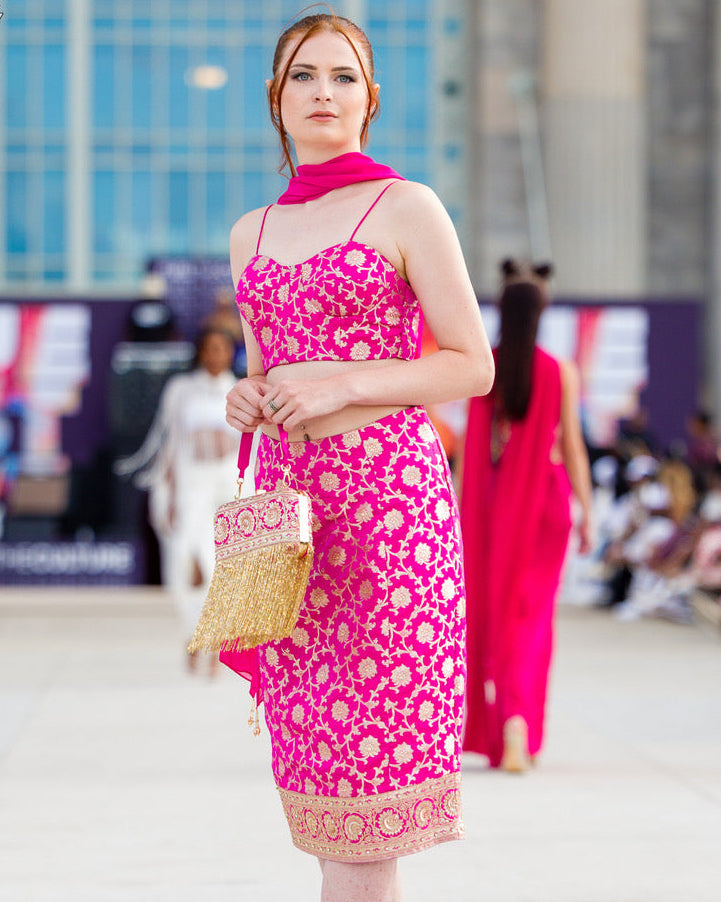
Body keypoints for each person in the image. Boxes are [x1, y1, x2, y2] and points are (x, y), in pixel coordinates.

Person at [222, 12, 494, 902]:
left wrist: (343, 384)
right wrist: (247, 397)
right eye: (304, 76)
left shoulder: (405, 205)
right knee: (314, 775)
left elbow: (470, 363)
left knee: (368, 776)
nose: (324, 93)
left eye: (344, 77)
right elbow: (268, 373)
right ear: (277, 98)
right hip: (286, 518)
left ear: (370, 99)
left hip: (386, 513)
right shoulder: (250, 232)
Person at [461, 259, 593, 773]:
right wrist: (587, 511)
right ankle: (520, 724)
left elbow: (475, 455)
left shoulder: (485, 370)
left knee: (494, 616)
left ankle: (503, 724)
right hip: (547, 508)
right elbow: (574, 449)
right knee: (532, 619)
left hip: (496, 511)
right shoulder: (560, 372)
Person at [116, 326, 239, 673]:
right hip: (190, 487)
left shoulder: (239, 388)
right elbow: (168, 444)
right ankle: (190, 633)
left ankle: (215, 643)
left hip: (227, 489)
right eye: (210, 347)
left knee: (221, 568)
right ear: (200, 352)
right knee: (184, 564)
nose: (216, 355)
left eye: (223, 348)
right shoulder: (181, 390)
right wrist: (166, 493)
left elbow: (254, 447)